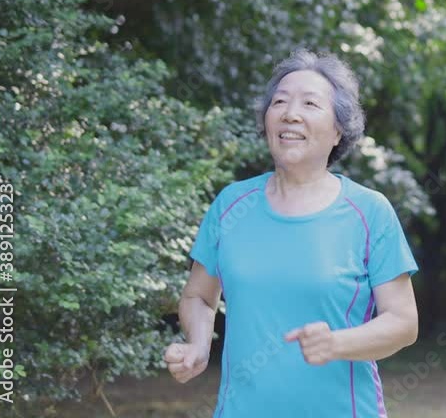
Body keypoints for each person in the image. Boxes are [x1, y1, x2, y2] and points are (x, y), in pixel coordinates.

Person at [164, 49, 419, 417]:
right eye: (279, 102)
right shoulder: (231, 205)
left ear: (338, 130)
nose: (290, 113)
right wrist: (199, 345)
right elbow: (199, 298)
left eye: (310, 103)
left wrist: (336, 343)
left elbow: (403, 322)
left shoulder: (369, 212)